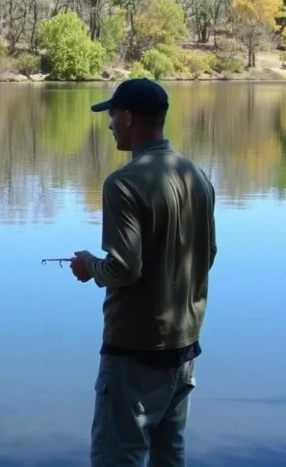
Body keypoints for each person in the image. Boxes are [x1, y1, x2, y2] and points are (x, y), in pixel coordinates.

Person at [69, 79, 217, 467]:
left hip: (134, 352)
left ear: (130, 117)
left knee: (119, 457)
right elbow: (209, 254)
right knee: (170, 456)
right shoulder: (198, 176)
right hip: (185, 348)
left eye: (113, 116)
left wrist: (90, 267)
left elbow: (123, 267)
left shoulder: (123, 183)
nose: (109, 125)